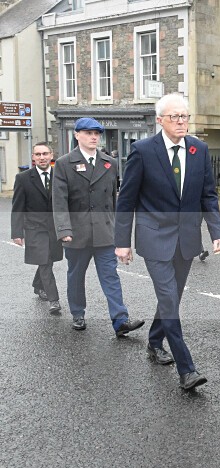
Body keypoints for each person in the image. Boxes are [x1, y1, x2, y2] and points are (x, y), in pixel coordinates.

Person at [115, 93, 220, 390]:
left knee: (172, 298)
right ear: (160, 120)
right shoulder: (142, 151)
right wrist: (121, 241)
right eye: (175, 116)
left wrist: (217, 231)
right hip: (155, 238)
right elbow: (126, 200)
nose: (181, 121)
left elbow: (208, 195)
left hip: (187, 239)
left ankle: (154, 342)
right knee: (168, 298)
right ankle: (187, 369)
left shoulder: (199, 149)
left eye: (184, 116)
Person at [51, 117, 144, 336]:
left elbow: (114, 201)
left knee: (110, 275)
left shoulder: (109, 163)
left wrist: (119, 234)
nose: (94, 137)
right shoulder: (65, 163)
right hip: (77, 233)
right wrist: (64, 230)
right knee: (76, 275)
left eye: (97, 134)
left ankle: (120, 320)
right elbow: (59, 201)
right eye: (88, 133)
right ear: (77, 135)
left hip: (104, 231)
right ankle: (78, 313)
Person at [11, 142, 63, 315]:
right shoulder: (23, 178)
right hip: (35, 229)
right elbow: (17, 207)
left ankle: (37, 285)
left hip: (55, 228)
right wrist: (17, 232)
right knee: (45, 262)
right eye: (38, 154)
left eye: (45, 154)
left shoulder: (60, 176)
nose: (42, 157)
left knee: (48, 259)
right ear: (33, 157)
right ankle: (54, 300)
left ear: (51, 155)